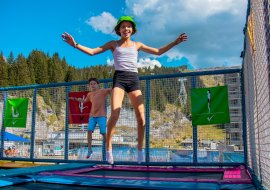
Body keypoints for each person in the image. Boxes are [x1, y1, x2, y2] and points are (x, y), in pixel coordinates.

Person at [62, 16, 188, 164]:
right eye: (123, 27)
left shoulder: (137, 45)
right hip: (119, 79)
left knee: (141, 117)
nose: (126, 29)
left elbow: (158, 51)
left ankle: (140, 148)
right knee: (115, 114)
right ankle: (108, 147)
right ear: (118, 30)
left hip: (133, 79)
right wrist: (75, 44)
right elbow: (92, 51)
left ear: (132, 30)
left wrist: (175, 42)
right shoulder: (113, 44)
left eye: (128, 27)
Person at [68, 77, 112, 159]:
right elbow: (84, 101)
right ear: (89, 86)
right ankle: (89, 150)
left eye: (94, 84)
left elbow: (111, 89)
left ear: (98, 85)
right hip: (92, 116)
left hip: (101, 116)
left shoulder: (102, 91)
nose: (93, 85)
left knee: (103, 132)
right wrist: (74, 99)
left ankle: (108, 149)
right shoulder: (89, 94)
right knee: (89, 131)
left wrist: (118, 84)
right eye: (91, 84)